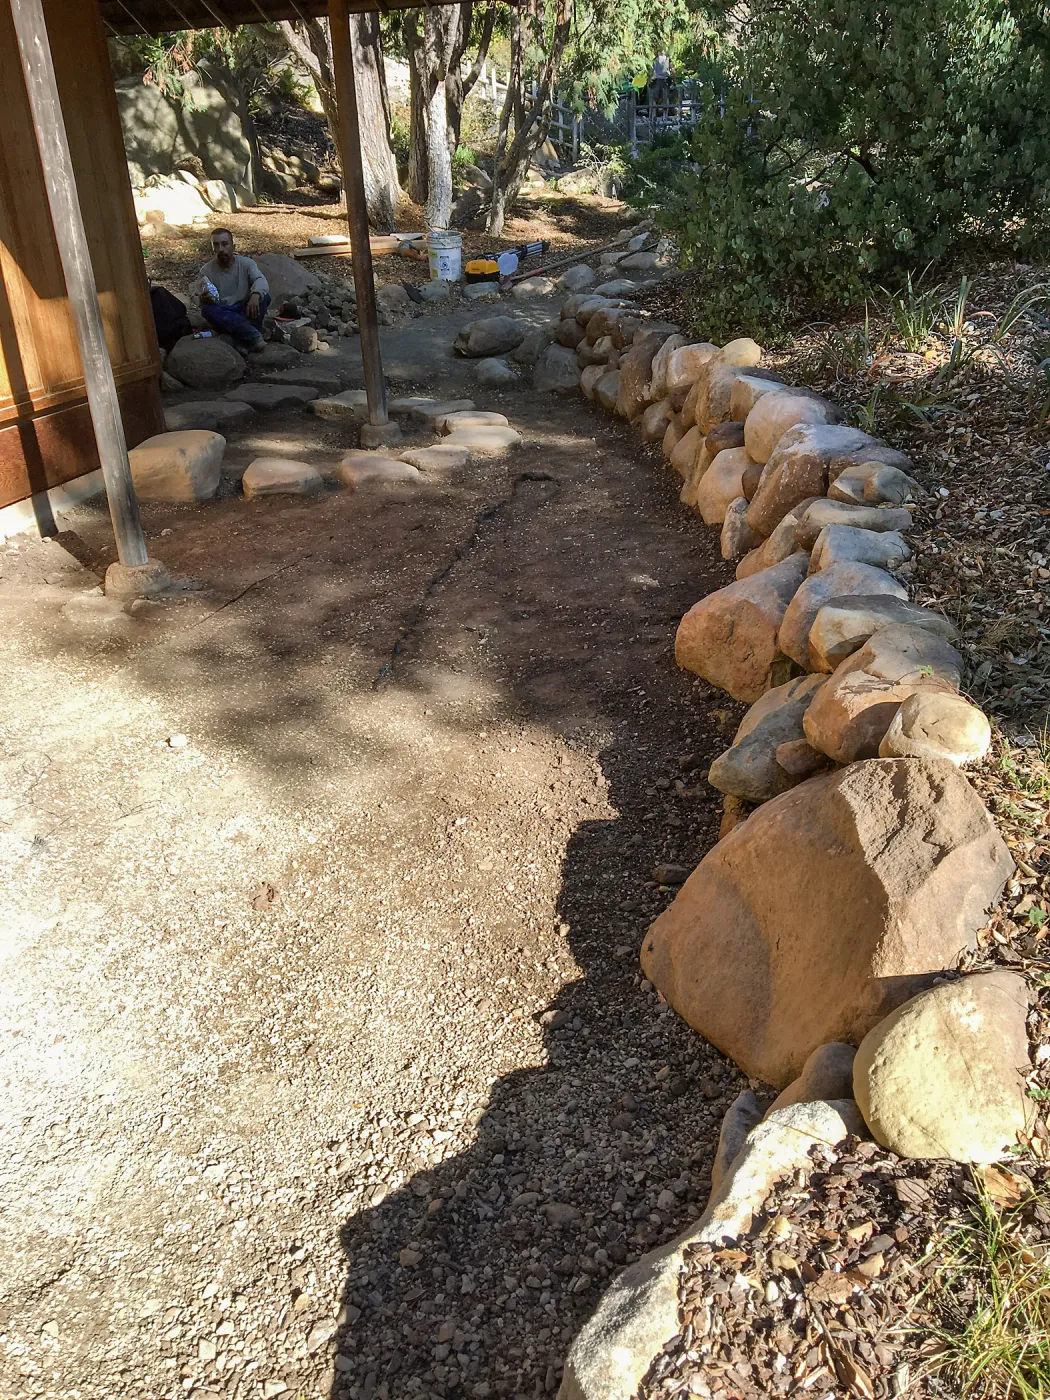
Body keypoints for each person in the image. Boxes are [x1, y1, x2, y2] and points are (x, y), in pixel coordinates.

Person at [196, 228, 270, 350]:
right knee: (207, 310)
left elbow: (260, 280)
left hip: (244, 308)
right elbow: (201, 297)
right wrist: (204, 299)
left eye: (225, 244)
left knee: (264, 298)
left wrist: (255, 295)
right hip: (224, 311)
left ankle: (241, 336)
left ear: (233, 247)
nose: (221, 249)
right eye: (216, 245)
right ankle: (252, 335)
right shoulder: (206, 271)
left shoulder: (247, 264)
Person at [650, 52, 672, 120]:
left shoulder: (654, 58)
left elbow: (651, 70)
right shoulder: (667, 58)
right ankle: (665, 115)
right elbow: (672, 69)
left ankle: (653, 115)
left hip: (656, 79)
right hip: (665, 80)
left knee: (654, 99)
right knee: (665, 98)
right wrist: (674, 81)